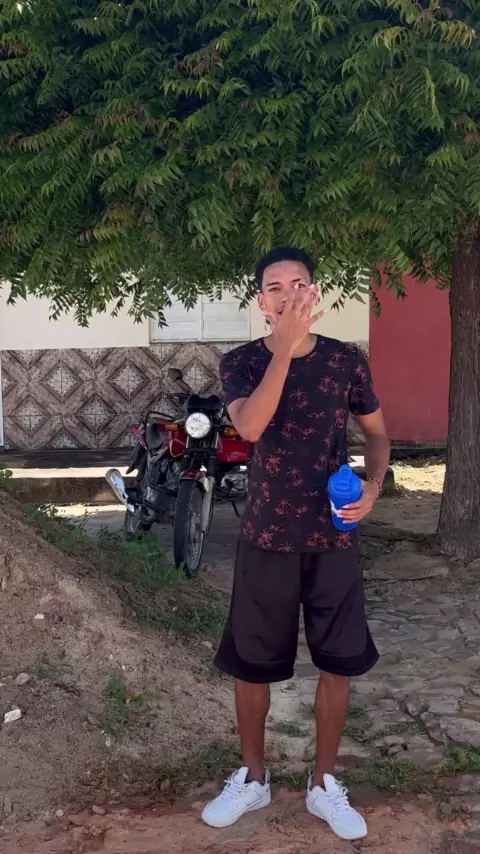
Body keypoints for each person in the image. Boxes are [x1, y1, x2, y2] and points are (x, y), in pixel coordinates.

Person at [202, 246, 390, 841]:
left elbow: (377, 433)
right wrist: (283, 349)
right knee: (252, 664)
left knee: (338, 661)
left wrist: (374, 485)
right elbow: (251, 426)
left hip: (333, 534)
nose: (288, 295)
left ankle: (323, 783)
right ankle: (253, 777)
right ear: (261, 301)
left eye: (299, 284)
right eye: (275, 287)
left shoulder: (345, 360)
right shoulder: (240, 362)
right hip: (267, 535)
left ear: (315, 293)